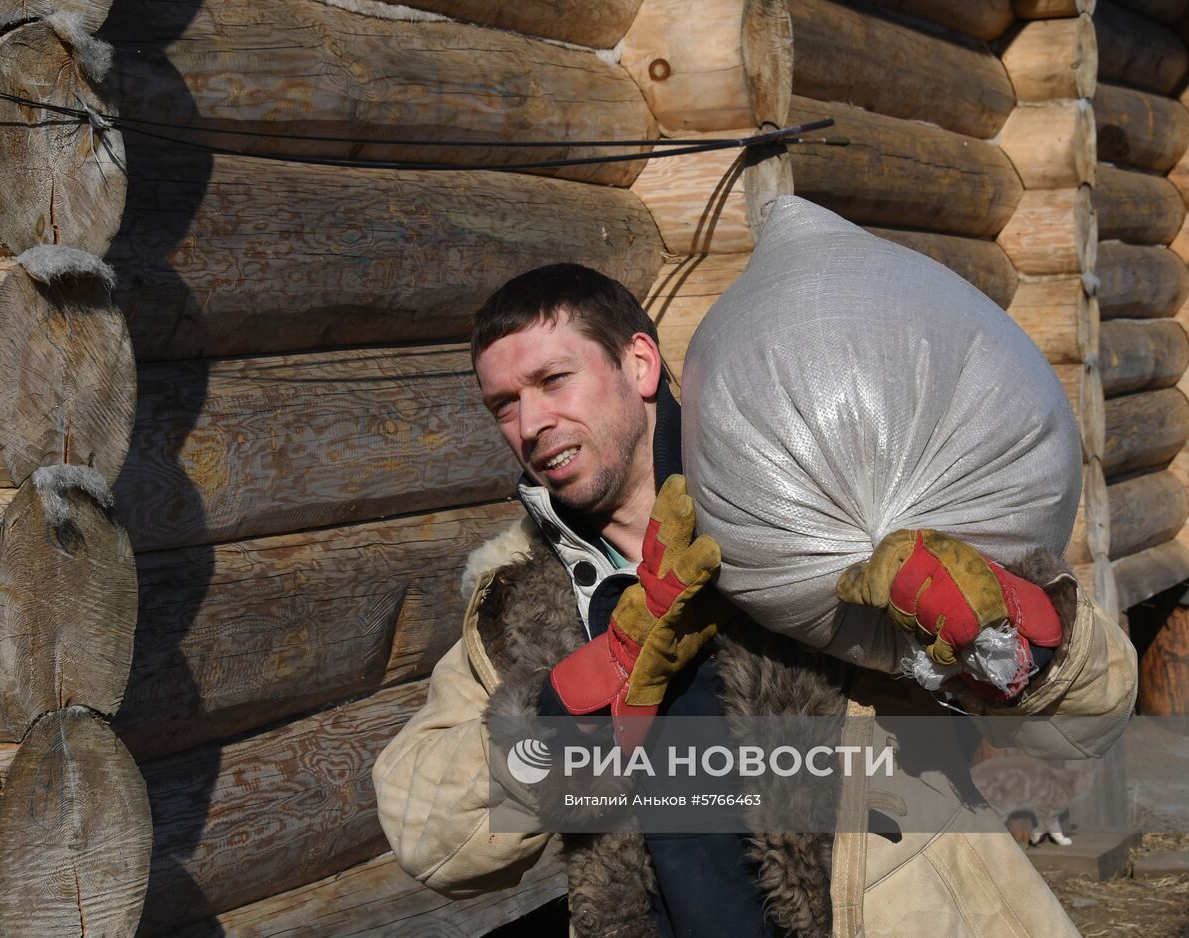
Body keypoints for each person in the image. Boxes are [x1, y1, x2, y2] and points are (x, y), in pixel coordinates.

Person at [371, 264, 1137, 938]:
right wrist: (585, 687)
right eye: (503, 405)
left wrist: (1001, 632)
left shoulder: (808, 503)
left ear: (639, 363)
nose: (531, 425)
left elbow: (1096, 713)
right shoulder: (521, 598)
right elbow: (428, 831)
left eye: (552, 381)